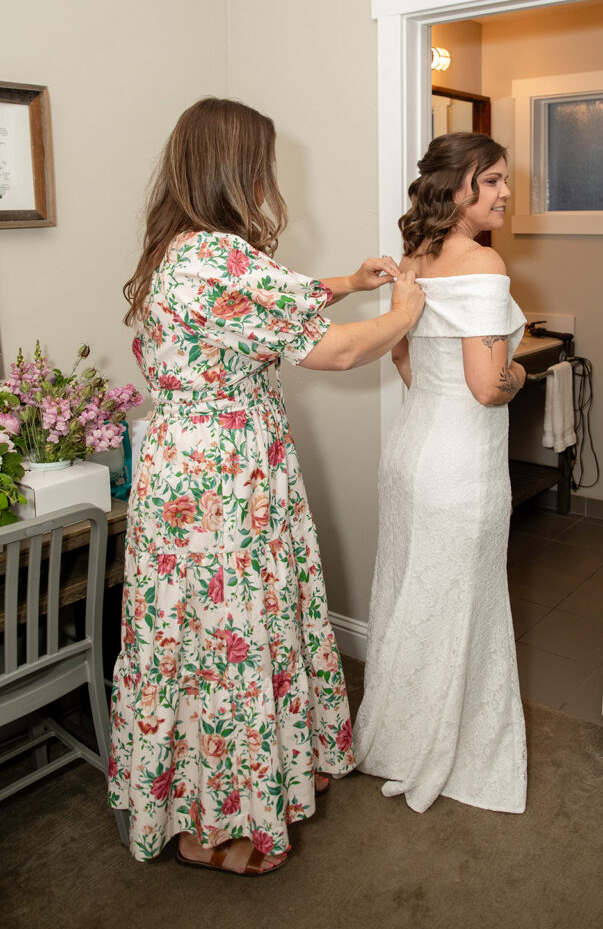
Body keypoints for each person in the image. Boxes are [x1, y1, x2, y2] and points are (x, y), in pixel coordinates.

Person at [108, 97, 425, 874]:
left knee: (207, 626)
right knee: (228, 631)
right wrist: (404, 311)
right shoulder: (220, 258)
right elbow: (339, 355)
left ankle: (249, 780)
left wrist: (349, 279)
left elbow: (263, 309)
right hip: (223, 474)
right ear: (238, 168)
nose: (269, 178)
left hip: (186, 463)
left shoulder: (181, 252)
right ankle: (212, 827)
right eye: (262, 162)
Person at [353, 131, 528, 815]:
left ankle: (396, 739)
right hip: (459, 465)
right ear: (456, 189)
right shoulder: (482, 266)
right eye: (491, 181)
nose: (504, 193)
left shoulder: (413, 260)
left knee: (408, 598)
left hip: (409, 453)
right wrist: (520, 370)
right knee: (458, 603)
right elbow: (488, 388)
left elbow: (400, 360)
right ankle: (441, 749)